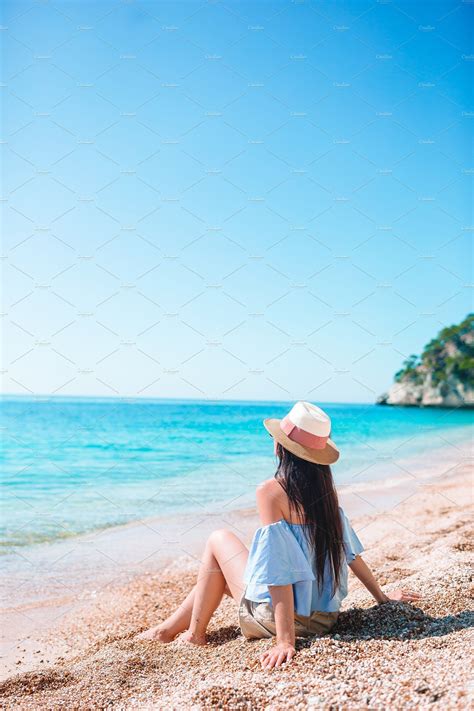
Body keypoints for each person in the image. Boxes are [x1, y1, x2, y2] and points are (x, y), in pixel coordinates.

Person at [138, 401, 421, 669]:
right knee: (219, 575)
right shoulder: (326, 496)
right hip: (325, 619)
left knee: (218, 540)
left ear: (279, 447)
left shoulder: (271, 492)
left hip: (285, 622)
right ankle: (166, 630)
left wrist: (285, 641)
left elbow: (279, 569)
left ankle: (194, 636)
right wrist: (382, 598)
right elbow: (352, 555)